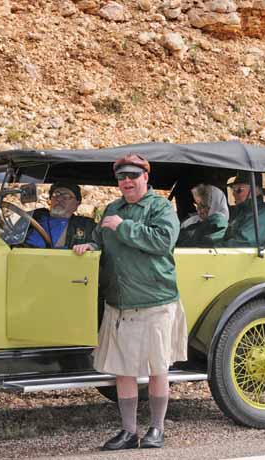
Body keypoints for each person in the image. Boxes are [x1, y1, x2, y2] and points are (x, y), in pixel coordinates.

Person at [73, 154, 187, 450]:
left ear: (146, 178)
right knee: (122, 371)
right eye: (122, 177)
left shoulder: (160, 207)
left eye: (133, 176)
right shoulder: (113, 209)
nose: (127, 181)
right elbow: (102, 239)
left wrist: (123, 227)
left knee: (157, 368)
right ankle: (128, 431)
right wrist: (92, 245)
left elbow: (163, 241)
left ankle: (157, 430)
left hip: (154, 300)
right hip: (120, 303)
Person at [24, 183, 96, 249]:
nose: (59, 199)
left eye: (66, 196)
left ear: (77, 204)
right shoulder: (33, 217)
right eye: (56, 194)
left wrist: (91, 246)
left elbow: (100, 244)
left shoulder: (86, 225)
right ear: (50, 199)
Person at [221, 171, 265, 247]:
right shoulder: (242, 211)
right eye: (233, 189)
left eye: (239, 190)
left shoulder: (261, 216)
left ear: (255, 191)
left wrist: (212, 246)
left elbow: (241, 244)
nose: (233, 194)